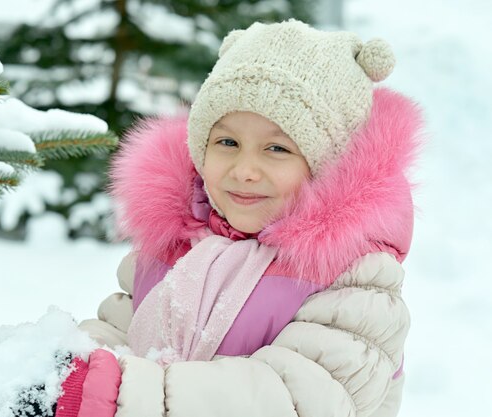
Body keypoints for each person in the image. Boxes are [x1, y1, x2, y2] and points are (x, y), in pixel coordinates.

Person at [60, 19, 424, 417]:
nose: (245, 170)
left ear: (328, 166)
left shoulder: (356, 276)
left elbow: (292, 398)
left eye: (277, 148)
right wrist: (66, 368)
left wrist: (118, 395)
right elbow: (119, 332)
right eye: (227, 142)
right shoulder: (179, 243)